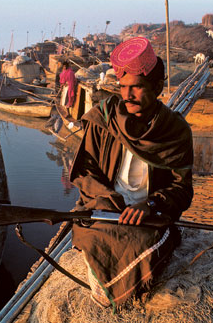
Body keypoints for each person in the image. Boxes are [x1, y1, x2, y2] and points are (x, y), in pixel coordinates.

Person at [69, 36, 194, 308]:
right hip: (103, 208)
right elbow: (85, 172)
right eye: (123, 87)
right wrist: (107, 200)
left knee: (140, 244)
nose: (127, 96)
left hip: (148, 216)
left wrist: (149, 204)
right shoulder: (103, 118)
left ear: (157, 87)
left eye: (136, 87)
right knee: (98, 236)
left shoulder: (175, 131)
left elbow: (182, 189)